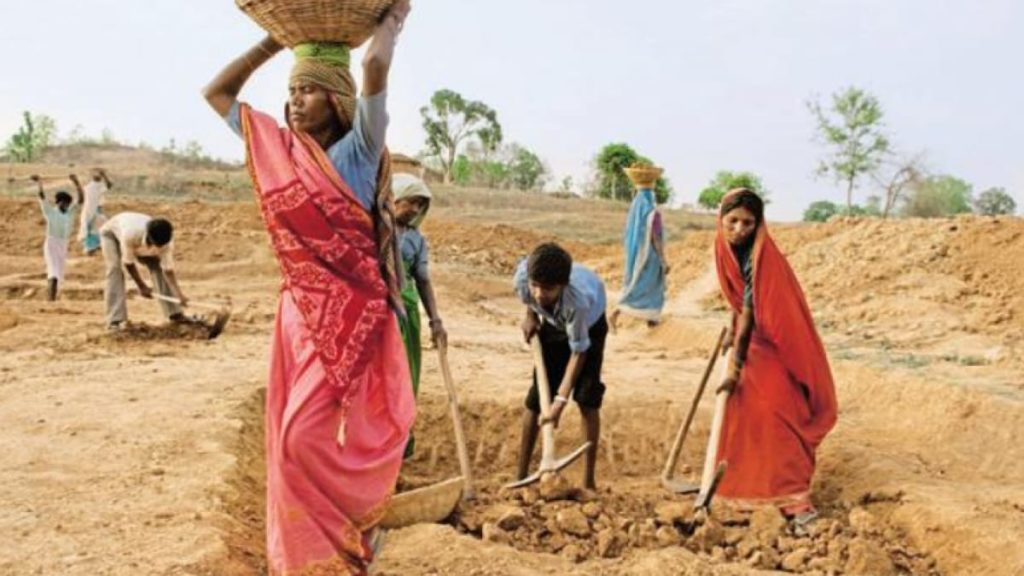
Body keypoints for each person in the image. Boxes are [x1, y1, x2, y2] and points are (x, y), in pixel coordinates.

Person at [202, 1, 415, 572]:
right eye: (292, 92)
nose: (295, 101)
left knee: (302, 436)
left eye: (309, 91)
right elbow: (217, 94)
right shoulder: (277, 150)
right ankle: (308, 558)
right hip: (297, 314)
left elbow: (373, 71)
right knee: (285, 440)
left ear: (337, 100)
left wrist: (391, 26)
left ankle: (347, 533)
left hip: (353, 315)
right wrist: (274, 44)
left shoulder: (359, 150)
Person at [713, 188, 838, 527]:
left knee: (779, 413)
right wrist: (731, 329)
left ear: (759, 224)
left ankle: (793, 498)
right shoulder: (723, 249)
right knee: (742, 416)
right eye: (733, 221)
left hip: (776, 343)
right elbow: (737, 303)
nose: (739, 229)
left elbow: (753, 312)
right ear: (721, 220)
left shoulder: (760, 260)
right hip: (749, 339)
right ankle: (745, 498)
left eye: (748, 223)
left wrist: (735, 369)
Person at [513, 243, 608, 490]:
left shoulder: (578, 302)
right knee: (535, 400)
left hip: (589, 327)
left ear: (563, 286)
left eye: (548, 289)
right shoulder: (523, 279)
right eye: (535, 285)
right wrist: (531, 316)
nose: (539, 294)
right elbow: (532, 299)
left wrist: (559, 402)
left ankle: (588, 481)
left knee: (588, 398)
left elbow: (579, 351)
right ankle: (520, 475)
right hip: (554, 324)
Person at [392, 173, 447, 459]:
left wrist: (435, 320)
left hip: (406, 313)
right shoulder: (371, 227)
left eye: (419, 205)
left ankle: (399, 444)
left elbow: (423, 280)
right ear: (393, 198)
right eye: (410, 202)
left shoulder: (415, 240)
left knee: (405, 377)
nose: (414, 210)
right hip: (376, 313)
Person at [100, 212, 190, 330]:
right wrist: (142, 286)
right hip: (111, 234)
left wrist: (179, 294)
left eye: (161, 246)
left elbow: (168, 270)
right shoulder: (131, 235)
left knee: (157, 266)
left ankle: (175, 314)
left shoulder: (166, 242)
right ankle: (115, 320)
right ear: (150, 237)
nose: (158, 249)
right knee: (114, 269)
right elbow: (128, 263)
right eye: (156, 245)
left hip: (138, 240)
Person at [611, 180, 669, 328]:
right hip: (650, 258)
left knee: (637, 285)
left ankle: (620, 314)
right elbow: (655, 238)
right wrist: (663, 260)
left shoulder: (635, 213)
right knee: (652, 288)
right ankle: (651, 320)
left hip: (636, 257)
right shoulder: (653, 213)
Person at [32, 175, 82, 301]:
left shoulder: (70, 213)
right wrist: (39, 182)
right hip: (52, 243)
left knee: (58, 274)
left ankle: (51, 298)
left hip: (63, 244)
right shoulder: (51, 212)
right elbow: (42, 197)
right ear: (58, 202)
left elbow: (81, 200)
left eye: (67, 204)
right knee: (53, 271)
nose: (66, 205)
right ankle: (51, 300)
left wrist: (77, 183)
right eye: (64, 203)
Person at [73, 168, 112, 255]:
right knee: (89, 228)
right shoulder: (88, 187)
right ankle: (90, 248)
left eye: (98, 174)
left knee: (101, 227)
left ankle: (97, 245)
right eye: (95, 174)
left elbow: (109, 185)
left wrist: (105, 175)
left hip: (97, 211)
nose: (97, 176)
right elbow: (81, 195)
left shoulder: (100, 186)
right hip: (89, 211)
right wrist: (75, 181)